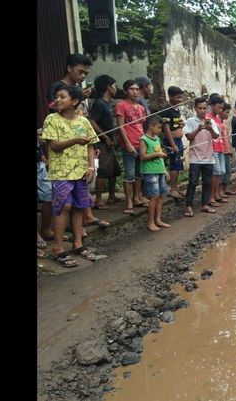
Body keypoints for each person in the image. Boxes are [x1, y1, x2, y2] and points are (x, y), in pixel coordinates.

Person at [42, 85, 101, 267]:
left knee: (78, 207)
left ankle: (78, 244)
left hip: (80, 172)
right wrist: (75, 140)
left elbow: (90, 145)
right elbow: (54, 146)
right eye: (57, 96)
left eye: (62, 96)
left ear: (74, 101)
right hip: (61, 173)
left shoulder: (84, 122)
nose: (57, 100)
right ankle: (58, 248)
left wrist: (91, 167)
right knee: (63, 207)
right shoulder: (52, 119)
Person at [87, 74, 122, 208]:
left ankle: (112, 196)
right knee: (102, 170)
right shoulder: (99, 103)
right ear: (108, 87)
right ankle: (98, 200)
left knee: (113, 169)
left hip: (110, 141)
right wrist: (105, 137)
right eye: (114, 85)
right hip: (102, 142)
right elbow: (91, 120)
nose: (115, 88)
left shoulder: (107, 103)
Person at [115, 79, 149, 215]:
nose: (135, 92)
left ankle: (137, 197)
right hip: (129, 144)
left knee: (139, 173)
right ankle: (129, 201)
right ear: (126, 91)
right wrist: (128, 143)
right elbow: (121, 126)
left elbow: (143, 126)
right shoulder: (121, 105)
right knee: (129, 174)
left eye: (136, 89)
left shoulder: (141, 107)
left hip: (141, 143)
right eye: (131, 89)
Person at [183, 97, 220, 216]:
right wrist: (198, 129)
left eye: (204, 108)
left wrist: (210, 129)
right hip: (195, 157)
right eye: (200, 108)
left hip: (208, 157)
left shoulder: (211, 121)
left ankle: (205, 204)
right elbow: (189, 137)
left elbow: (215, 136)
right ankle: (188, 206)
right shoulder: (190, 121)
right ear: (195, 109)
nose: (202, 111)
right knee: (193, 182)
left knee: (207, 182)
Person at [139, 116, 170, 231]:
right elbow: (142, 156)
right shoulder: (144, 139)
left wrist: (164, 170)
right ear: (151, 126)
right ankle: (150, 222)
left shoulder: (157, 139)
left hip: (159, 170)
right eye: (159, 127)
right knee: (154, 197)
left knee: (161, 195)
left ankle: (158, 219)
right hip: (150, 172)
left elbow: (160, 155)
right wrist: (157, 155)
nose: (160, 130)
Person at [159, 86, 186, 199]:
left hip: (178, 140)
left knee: (178, 164)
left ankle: (176, 187)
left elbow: (175, 124)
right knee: (174, 165)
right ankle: (173, 189)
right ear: (170, 97)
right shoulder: (167, 109)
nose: (180, 100)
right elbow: (166, 128)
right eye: (177, 97)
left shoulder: (176, 109)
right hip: (172, 141)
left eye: (181, 97)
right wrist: (173, 144)